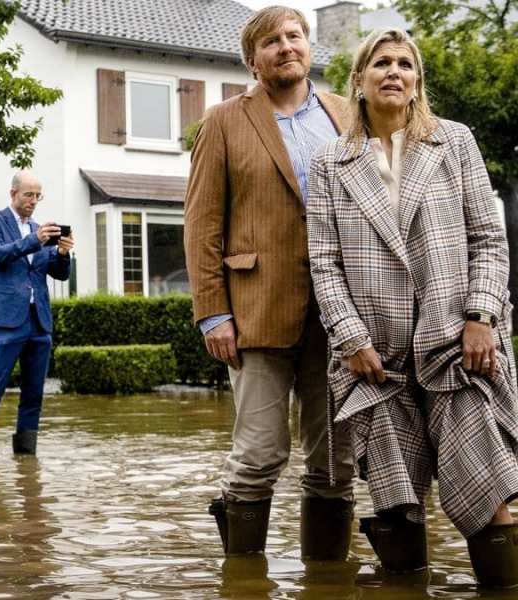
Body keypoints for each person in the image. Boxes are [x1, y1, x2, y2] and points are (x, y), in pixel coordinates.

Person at [307, 29, 518, 587]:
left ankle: (502, 588)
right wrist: (351, 339)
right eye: (381, 63)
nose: (393, 71)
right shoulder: (331, 162)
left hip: (458, 341)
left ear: (417, 79)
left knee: (485, 476)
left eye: (405, 63)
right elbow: (324, 263)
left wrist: (483, 316)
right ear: (359, 80)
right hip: (374, 353)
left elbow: (488, 240)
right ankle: (405, 583)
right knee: (395, 490)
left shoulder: (454, 142)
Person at [183, 6, 354, 559]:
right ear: (253, 60)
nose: (286, 46)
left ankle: (325, 582)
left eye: (295, 36)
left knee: (335, 459)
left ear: (309, 47)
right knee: (259, 453)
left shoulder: (348, 115)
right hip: (255, 310)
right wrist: (213, 313)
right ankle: (242, 576)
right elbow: (201, 223)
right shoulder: (224, 120)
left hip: (340, 315)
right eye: (272, 41)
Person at [0, 171, 73, 459]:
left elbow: (59, 275)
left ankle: (26, 458)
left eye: (38, 196)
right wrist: (34, 241)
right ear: (13, 193)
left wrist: (63, 254)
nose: (34, 201)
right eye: (29, 194)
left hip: (39, 322)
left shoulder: (41, 229)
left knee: (34, 393)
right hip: (5, 321)